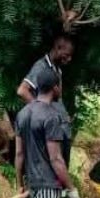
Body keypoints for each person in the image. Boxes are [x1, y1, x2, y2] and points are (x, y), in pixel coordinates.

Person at [16, 68, 78, 198]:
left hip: (32, 180)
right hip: (48, 183)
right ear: (55, 88)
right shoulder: (52, 116)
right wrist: (70, 188)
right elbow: (56, 158)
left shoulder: (23, 113)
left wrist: (20, 183)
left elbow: (19, 154)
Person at [17, 33, 76, 163]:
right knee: (55, 164)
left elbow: (58, 97)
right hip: (51, 128)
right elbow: (22, 91)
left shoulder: (57, 69)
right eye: (66, 55)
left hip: (61, 127)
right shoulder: (41, 67)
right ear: (57, 49)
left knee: (62, 165)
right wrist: (41, 111)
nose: (69, 59)